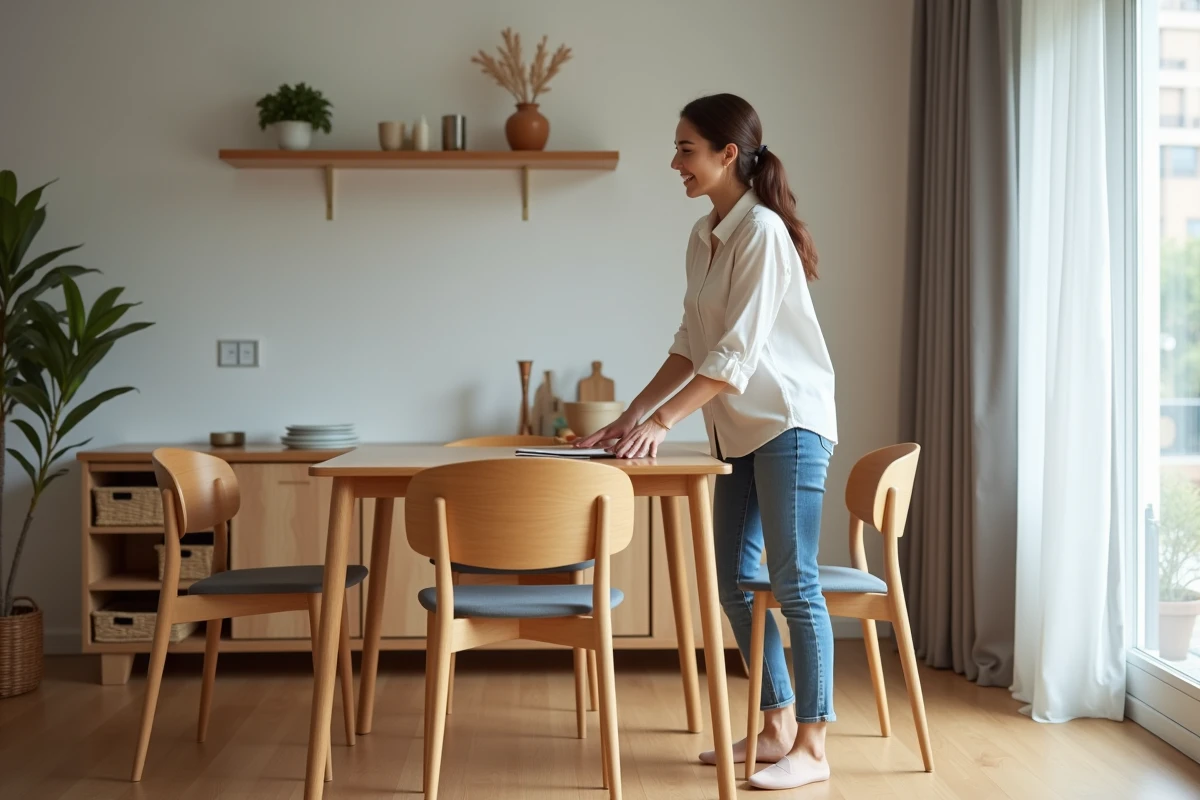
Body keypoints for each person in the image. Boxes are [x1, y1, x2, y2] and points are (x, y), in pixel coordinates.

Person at [575, 93, 838, 791]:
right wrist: (631, 416)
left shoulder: (763, 236)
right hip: (738, 430)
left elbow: (736, 360)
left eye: (686, 149)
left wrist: (663, 425)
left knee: (794, 583)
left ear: (728, 154)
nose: (674, 163)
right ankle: (777, 724)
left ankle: (813, 745)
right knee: (733, 582)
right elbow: (693, 346)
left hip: (789, 423)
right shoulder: (705, 236)